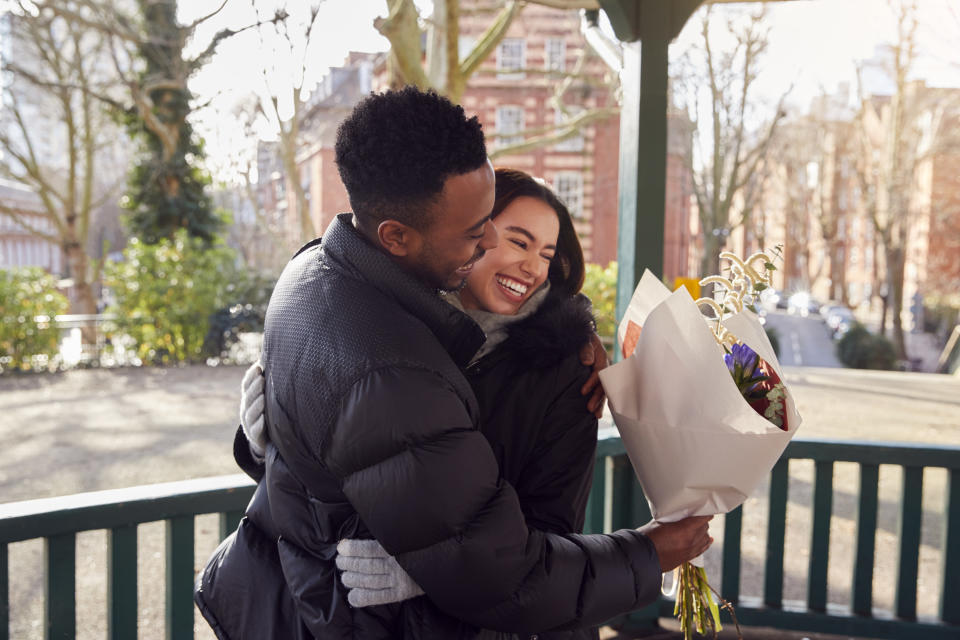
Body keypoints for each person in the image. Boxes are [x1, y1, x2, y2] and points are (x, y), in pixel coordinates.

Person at [194, 86, 712, 640]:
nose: (492, 242)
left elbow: (530, 550)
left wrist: (436, 572)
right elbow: (355, 474)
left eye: (546, 253)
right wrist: (267, 443)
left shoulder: (320, 269)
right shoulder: (395, 358)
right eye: (487, 230)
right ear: (397, 237)